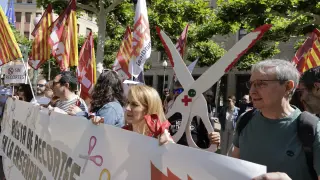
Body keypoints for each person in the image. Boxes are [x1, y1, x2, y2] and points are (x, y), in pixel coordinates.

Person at [231, 59, 320, 180]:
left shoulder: (312, 128)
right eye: (251, 84)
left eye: (261, 83)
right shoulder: (245, 119)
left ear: (288, 86)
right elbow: (233, 167)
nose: (252, 91)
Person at [91, 85, 173, 145]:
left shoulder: (160, 137)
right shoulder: (123, 132)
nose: (127, 108)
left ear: (149, 109)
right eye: (127, 102)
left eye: (134, 104)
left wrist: (169, 148)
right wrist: (99, 129)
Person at [167, 81, 220, 149]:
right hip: (173, 156)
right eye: (175, 91)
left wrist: (215, 138)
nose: (177, 94)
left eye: (181, 91)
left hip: (195, 156)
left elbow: (211, 139)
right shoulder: (169, 114)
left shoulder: (199, 114)